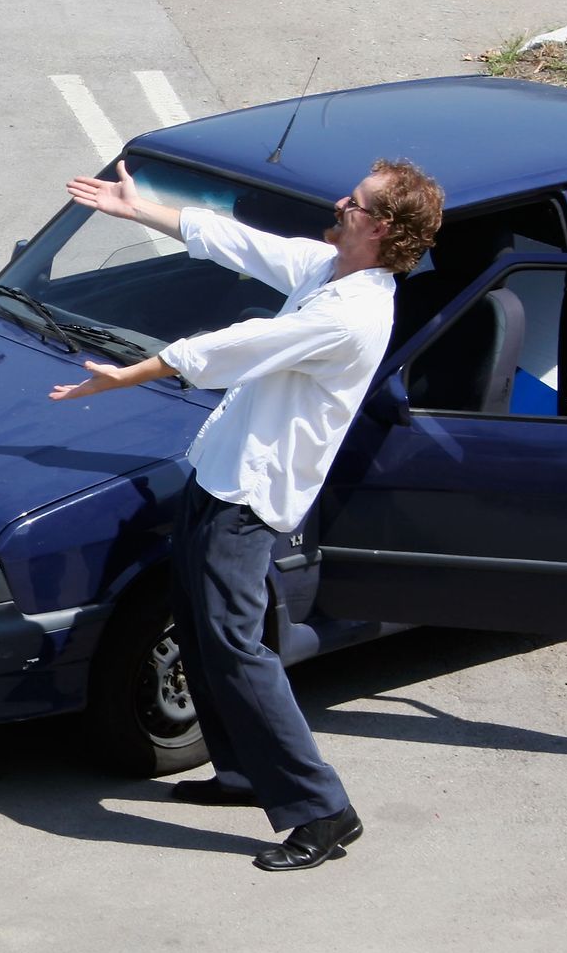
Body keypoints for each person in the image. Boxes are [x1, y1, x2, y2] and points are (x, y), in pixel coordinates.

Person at [50, 157, 443, 871]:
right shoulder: (330, 269)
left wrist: (132, 373)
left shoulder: (350, 314)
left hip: (249, 499)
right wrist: (137, 209)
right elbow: (236, 241)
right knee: (203, 630)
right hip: (221, 473)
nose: (337, 200)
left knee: (235, 647)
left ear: (379, 227)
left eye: (352, 200)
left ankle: (324, 811)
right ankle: (241, 773)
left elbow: (239, 346)